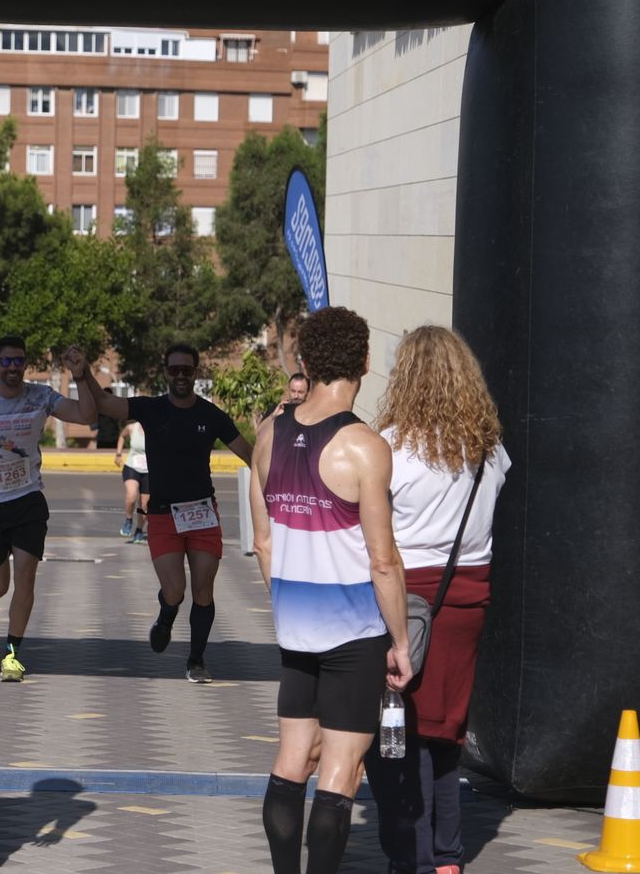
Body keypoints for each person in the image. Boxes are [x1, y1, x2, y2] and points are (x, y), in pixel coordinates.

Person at [247, 306, 414, 874]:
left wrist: (287, 603)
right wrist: (401, 642)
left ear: (305, 361)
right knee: (341, 773)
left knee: (292, 760)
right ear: (365, 361)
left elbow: (263, 544)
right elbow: (384, 561)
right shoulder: (364, 446)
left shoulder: (267, 434)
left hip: (295, 625)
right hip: (354, 632)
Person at [361, 325, 510, 874]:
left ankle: (418, 858)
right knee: (447, 731)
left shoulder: (391, 447)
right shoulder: (489, 450)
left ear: (406, 377)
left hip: (406, 600)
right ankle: (448, 855)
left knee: (402, 734)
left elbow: (374, 539)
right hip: (468, 598)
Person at [79, 344, 252, 683]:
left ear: (196, 373)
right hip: (162, 516)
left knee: (203, 591)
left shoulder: (210, 414)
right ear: (165, 373)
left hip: (203, 514)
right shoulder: (151, 408)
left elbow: (249, 453)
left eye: (187, 370)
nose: (181, 376)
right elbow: (104, 404)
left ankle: (196, 660)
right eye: (174, 370)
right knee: (175, 591)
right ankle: (166, 616)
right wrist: (83, 372)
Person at [0, 337, 96, 682]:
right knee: (0, 583)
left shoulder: (40, 396)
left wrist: (81, 376)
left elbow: (86, 415)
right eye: (5, 361)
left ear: (26, 364)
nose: (12, 368)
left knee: (26, 575)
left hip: (27, 500)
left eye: (18, 361)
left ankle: (12, 654)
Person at [114, 420, 149, 544]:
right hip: (132, 467)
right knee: (132, 495)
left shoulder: (157, 428)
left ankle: (139, 530)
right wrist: (118, 454)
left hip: (149, 471)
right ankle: (128, 520)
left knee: (145, 505)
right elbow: (122, 436)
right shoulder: (132, 427)